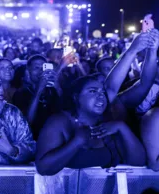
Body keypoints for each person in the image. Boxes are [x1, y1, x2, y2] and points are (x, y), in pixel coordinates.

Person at [36, 30, 159, 175]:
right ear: (76, 97)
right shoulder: (59, 122)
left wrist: (152, 51)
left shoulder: (108, 121)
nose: (100, 96)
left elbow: (137, 162)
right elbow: (43, 168)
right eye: (93, 92)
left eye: (102, 93)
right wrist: (77, 141)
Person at [13, 55, 60, 140]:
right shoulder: (20, 94)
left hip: (55, 138)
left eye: (43, 67)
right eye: (36, 68)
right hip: (33, 139)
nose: (41, 71)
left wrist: (57, 86)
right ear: (28, 72)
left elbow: (65, 110)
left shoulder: (52, 91)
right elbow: (27, 122)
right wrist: (39, 90)